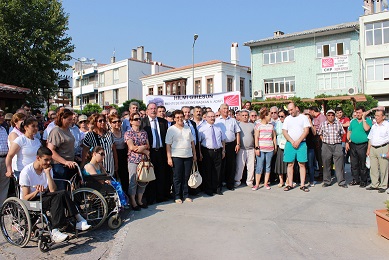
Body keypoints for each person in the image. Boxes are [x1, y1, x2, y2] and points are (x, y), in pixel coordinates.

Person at [19, 147, 91, 243]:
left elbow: (53, 189)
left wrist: (48, 173)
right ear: (38, 158)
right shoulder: (26, 172)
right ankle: (55, 230)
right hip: (31, 200)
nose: (48, 162)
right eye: (46, 160)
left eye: (50, 160)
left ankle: (78, 219)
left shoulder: (47, 169)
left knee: (63, 193)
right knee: (56, 198)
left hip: (44, 196)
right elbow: (25, 197)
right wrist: (36, 192)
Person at [140, 103, 170, 204]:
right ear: (147, 111)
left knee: (161, 174)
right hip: (149, 152)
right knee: (150, 175)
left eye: (155, 108)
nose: (153, 110)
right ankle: (150, 198)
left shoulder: (163, 122)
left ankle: (161, 196)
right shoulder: (143, 122)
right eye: (151, 109)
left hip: (161, 152)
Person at [166, 110, 196, 203]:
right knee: (177, 177)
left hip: (188, 156)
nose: (180, 119)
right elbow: (168, 145)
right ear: (174, 119)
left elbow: (192, 142)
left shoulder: (188, 128)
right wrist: (169, 158)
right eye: (177, 117)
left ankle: (186, 194)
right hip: (176, 156)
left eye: (181, 117)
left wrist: (194, 155)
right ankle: (177, 195)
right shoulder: (171, 129)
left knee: (186, 176)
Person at [47, 109, 78, 190]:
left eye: (71, 119)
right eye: (69, 120)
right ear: (62, 119)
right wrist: (65, 161)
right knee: (61, 190)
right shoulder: (56, 131)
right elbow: (51, 150)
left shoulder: (68, 129)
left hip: (69, 164)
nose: (71, 122)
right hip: (59, 166)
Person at [282, 102, 310, 192]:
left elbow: (306, 131)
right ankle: (290, 184)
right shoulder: (287, 119)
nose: (290, 112)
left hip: (301, 144)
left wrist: (298, 141)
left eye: (291, 110)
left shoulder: (303, 118)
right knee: (290, 164)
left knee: (302, 164)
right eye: (289, 110)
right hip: (290, 144)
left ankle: (302, 184)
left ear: (296, 108)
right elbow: (284, 131)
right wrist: (292, 141)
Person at [124, 112, 150, 210]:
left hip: (143, 160)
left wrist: (143, 147)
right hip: (133, 160)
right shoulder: (128, 133)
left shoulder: (144, 132)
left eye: (139, 119)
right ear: (131, 121)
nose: (138, 120)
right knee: (133, 181)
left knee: (143, 180)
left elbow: (148, 145)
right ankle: (133, 201)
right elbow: (131, 147)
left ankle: (139, 200)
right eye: (135, 119)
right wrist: (144, 147)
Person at [198, 111, 226, 196]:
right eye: (210, 117)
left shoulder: (218, 128)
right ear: (205, 118)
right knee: (208, 171)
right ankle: (208, 189)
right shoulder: (201, 129)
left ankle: (217, 188)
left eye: (213, 116)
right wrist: (200, 153)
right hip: (207, 151)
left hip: (217, 151)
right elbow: (199, 142)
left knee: (218, 171)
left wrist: (223, 150)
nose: (212, 118)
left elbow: (223, 140)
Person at [317, 110, 347, 188]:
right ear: (326, 116)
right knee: (326, 163)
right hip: (326, 145)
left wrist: (338, 141)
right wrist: (324, 140)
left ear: (334, 116)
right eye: (329, 115)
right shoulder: (323, 124)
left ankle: (341, 181)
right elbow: (320, 133)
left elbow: (342, 133)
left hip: (337, 145)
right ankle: (327, 181)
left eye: (332, 115)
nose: (331, 116)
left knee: (339, 164)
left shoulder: (339, 124)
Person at [215, 103, 241, 191]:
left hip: (231, 145)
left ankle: (230, 184)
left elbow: (237, 132)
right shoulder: (217, 121)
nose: (226, 110)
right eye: (224, 108)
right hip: (220, 146)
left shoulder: (233, 120)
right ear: (220, 110)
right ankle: (220, 184)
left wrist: (238, 144)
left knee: (231, 165)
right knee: (221, 166)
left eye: (227, 108)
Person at [346, 106, 372, 187]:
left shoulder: (368, 121)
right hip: (353, 145)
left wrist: (363, 118)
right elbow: (349, 131)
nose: (358, 114)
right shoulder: (353, 121)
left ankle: (363, 180)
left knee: (362, 164)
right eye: (356, 113)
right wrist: (347, 142)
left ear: (363, 113)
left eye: (359, 113)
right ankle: (355, 179)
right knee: (354, 164)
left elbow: (366, 129)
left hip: (363, 145)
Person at [253, 108, 277, 190]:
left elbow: (274, 137)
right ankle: (257, 184)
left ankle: (266, 183)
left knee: (268, 166)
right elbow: (256, 137)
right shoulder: (258, 125)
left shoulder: (271, 126)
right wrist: (256, 148)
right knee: (259, 166)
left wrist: (275, 147)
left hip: (270, 149)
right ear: (265, 116)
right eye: (269, 115)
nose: (271, 117)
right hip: (261, 149)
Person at [366, 110, 389, 193]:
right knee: (373, 168)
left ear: (383, 117)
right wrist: (368, 149)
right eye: (375, 115)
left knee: (384, 168)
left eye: (378, 116)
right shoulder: (374, 126)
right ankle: (375, 184)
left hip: (383, 148)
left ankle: (383, 185)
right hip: (373, 149)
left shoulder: (387, 125)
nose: (376, 117)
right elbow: (370, 138)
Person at [108, 113, 129, 197]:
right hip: (114, 156)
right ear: (110, 123)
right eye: (114, 122)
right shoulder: (109, 134)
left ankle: (126, 195)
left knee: (125, 177)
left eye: (119, 121)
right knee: (116, 178)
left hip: (124, 155)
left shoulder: (124, 132)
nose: (117, 123)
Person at [234, 110, 255, 187]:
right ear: (240, 116)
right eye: (243, 115)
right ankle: (237, 180)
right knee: (240, 166)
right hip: (241, 149)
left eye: (246, 115)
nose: (245, 117)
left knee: (251, 166)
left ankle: (250, 181)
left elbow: (254, 136)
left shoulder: (252, 125)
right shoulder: (237, 125)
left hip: (251, 149)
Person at [309, 106, 326, 179]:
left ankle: (323, 174)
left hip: (320, 138)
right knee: (318, 157)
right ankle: (321, 172)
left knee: (321, 157)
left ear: (313, 111)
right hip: (315, 138)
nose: (310, 114)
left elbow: (322, 128)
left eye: (310, 112)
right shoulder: (315, 118)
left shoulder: (321, 117)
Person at [274, 110, 288, 188]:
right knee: (279, 163)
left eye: (282, 116)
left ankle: (288, 180)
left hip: (287, 145)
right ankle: (281, 180)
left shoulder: (289, 123)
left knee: (288, 163)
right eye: (279, 116)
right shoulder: (277, 124)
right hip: (280, 145)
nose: (280, 118)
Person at [304, 112, 317, 187]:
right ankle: (303, 179)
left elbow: (314, 133)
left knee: (310, 165)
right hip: (302, 147)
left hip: (310, 147)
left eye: (308, 118)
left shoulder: (312, 126)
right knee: (303, 165)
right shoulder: (301, 126)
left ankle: (312, 180)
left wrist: (310, 124)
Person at [0, 110, 9, 205]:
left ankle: (1, 207)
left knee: (4, 185)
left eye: (3, 115)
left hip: (5, 159)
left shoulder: (3, 129)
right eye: (0, 115)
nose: (2, 117)